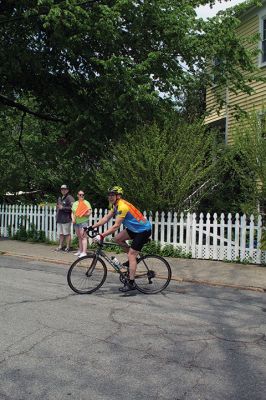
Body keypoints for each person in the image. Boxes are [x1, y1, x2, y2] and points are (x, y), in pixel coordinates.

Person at [90, 186, 152, 292]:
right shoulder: (115, 205)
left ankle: (131, 283)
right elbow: (106, 218)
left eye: (112, 195)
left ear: (118, 196)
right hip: (135, 229)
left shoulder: (122, 206)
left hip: (143, 231)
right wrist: (92, 227)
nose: (110, 197)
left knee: (131, 254)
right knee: (117, 239)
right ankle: (134, 261)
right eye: (109, 195)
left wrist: (101, 235)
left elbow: (116, 226)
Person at [72, 191, 92, 258]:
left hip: (83, 222)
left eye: (83, 195)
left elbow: (89, 212)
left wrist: (83, 214)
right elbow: (72, 213)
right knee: (79, 237)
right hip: (76, 222)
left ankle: (84, 252)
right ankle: (80, 251)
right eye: (80, 195)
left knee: (83, 237)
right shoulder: (75, 203)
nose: (81, 196)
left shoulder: (86, 202)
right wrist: (73, 219)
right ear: (77, 195)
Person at [56, 184, 74, 252]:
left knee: (67, 233)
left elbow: (73, 208)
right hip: (60, 218)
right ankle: (60, 246)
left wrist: (63, 208)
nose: (63, 190)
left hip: (66, 219)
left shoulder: (70, 198)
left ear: (67, 190)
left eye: (65, 189)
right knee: (61, 233)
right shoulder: (60, 198)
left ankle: (68, 247)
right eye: (62, 189)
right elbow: (58, 206)